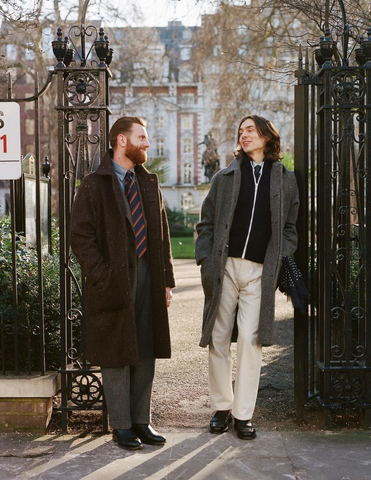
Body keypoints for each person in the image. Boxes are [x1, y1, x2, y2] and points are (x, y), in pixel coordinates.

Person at [70, 116, 175, 450]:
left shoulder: (148, 182)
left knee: (145, 347)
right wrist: (101, 275)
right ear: (120, 140)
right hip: (113, 279)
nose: (146, 143)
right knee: (116, 352)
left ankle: (141, 420)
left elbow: (162, 233)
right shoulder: (94, 183)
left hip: (147, 275)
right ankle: (121, 425)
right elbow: (80, 236)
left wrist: (167, 281)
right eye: (141, 137)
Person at [195, 114, 299, 440]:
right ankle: (222, 408)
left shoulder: (285, 180)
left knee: (252, 343)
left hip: (259, 274)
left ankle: (243, 415)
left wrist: (279, 256)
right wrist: (205, 260)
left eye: (250, 130)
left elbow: (291, 229)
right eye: (240, 131)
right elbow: (206, 224)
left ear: (267, 135)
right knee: (219, 338)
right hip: (224, 268)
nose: (244, 135)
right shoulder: (224, 177)